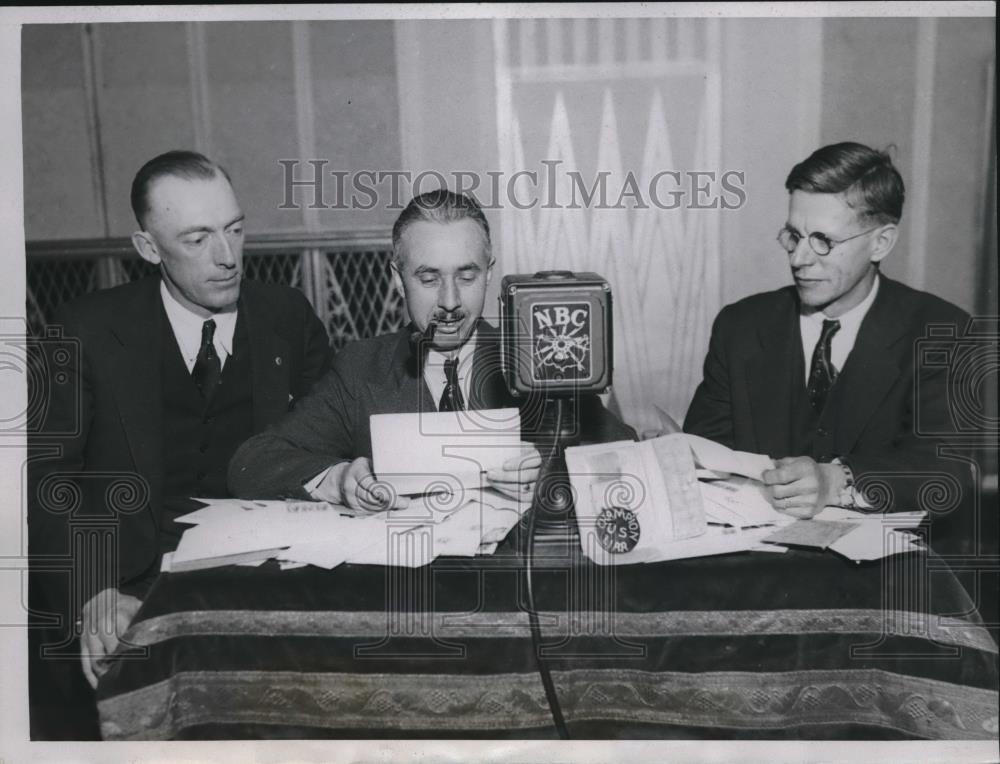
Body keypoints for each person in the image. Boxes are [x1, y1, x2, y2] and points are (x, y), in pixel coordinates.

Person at [27, 150, 331, 737]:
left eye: (235, 230)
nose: (226, 257)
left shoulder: (286, 315)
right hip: (132, 583)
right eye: (197, 239)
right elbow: (44, 481)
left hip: (266, 575)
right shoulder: (84, 328)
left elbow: (332, 439)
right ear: (148, 248)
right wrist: (93, 591)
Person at [229, 188, 636, 509]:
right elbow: (253, 463)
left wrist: (550, 475)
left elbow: (629, 458)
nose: (450, 302)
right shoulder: (361, 369)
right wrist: (336, 480)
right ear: (397, 278)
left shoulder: (540, 358)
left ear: (490, 273)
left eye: (467, 275)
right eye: (428, 278)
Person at [684, 142, 972, 533]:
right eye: (793, 236)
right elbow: (705, 455)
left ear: (881, 242)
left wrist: (837, 481)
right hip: (751, 574)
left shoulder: (943, 332)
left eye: (823, 240)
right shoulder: (741, 326)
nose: (799, 259)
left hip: (883, 581)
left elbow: (948, 471)